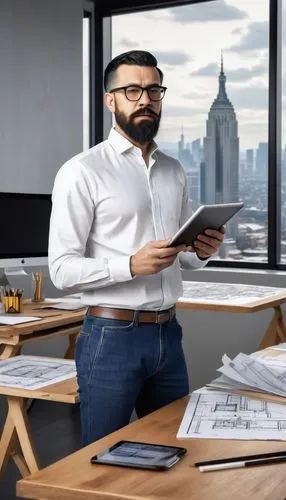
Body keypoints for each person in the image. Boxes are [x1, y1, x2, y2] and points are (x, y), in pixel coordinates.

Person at [48, 50, 224, 446]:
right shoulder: (82, 171)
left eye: (152, 89)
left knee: (174, 452)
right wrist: (129, 264)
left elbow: (186, 257)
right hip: (111, 337)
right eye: (131, 90)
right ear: (110, 100)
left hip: (168, 334)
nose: (144, 99)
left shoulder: (174, 170)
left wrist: (202, 249)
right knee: (103, 458)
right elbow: (61, 270)